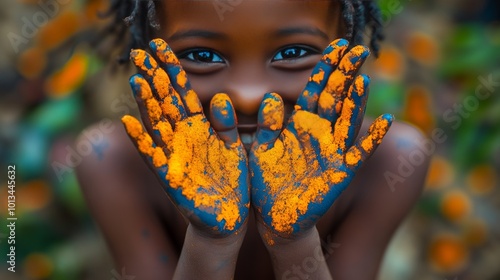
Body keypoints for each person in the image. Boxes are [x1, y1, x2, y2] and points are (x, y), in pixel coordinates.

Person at [76, 1, 430, 279]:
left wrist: (293, 240)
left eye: (292, 53)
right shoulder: (113, 161)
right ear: (152, 53)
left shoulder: (389, 160)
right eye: (203, 56)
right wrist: (212, 242)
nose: (248, 95)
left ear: (347, 45)